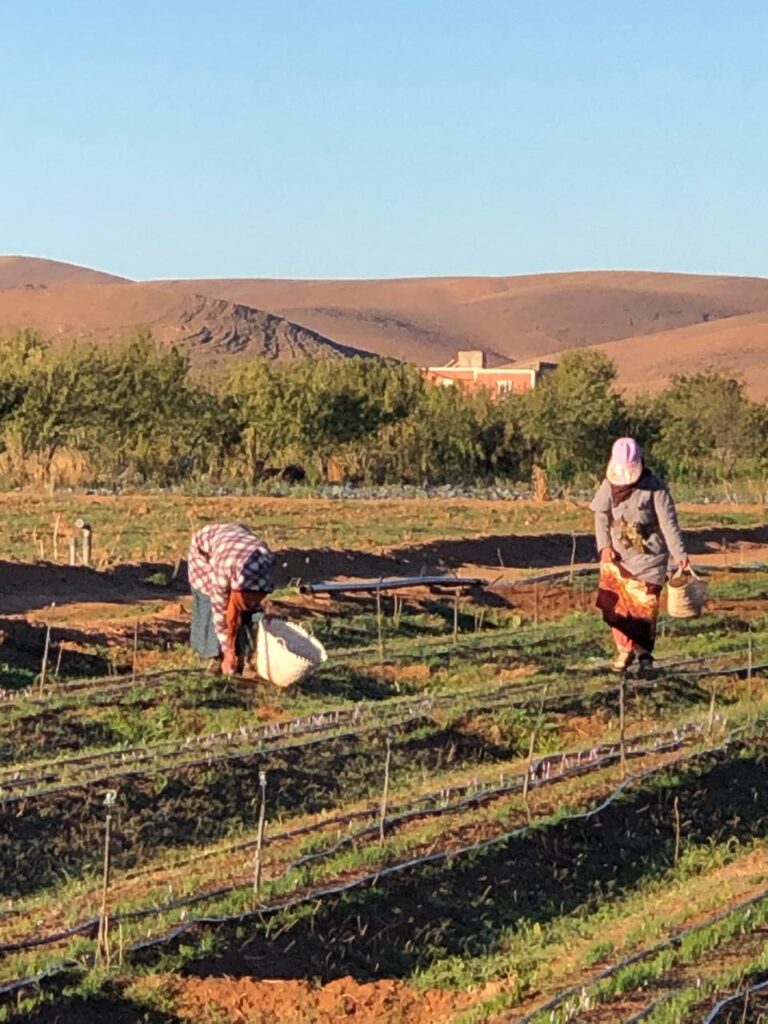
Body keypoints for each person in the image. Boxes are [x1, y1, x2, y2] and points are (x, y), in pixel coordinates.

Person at [590, 438, 689, 673]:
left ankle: (644, 653)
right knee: (617, 605)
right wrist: (604, 547)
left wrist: (680, 555)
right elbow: (601, 516)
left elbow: (668, 524)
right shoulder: (608, 486)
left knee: (645, 607)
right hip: (618, 560)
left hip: (650, 559)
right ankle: (624, 651)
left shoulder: (656, 488)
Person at [187, 522, 275, 675]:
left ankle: (250, 657)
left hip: (237, 544)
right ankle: (217, 657)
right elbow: (220, 613)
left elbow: (250, 600)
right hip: (206, 552)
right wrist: (228, 653)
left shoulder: (265, 565)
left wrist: (245, 607)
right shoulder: (223, 572)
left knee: (250, 613)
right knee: (210, 604)